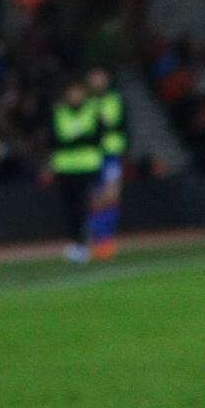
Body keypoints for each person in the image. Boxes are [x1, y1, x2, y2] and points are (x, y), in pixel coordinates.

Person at [50, 77, 102, 264]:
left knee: (85, 205)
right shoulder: (59, 112)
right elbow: (56, 140)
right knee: (69, 208)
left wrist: (72, 140)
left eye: (78, 92)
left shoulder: (91, 110)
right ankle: (77, 243)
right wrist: (79, 138)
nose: (75, 96)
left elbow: (96, 137)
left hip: (87, 167)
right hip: (65, 168)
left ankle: (87, 240)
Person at [87, 67, 126, 262]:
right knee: (96, 198)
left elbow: (118, 125)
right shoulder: (86, 102)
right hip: (92, 157)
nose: (97, 80)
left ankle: (107, 240)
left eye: (100, 76)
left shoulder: (115, 99)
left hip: (111, 154)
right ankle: (97, 239)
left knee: (111, 196)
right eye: (94, 76)